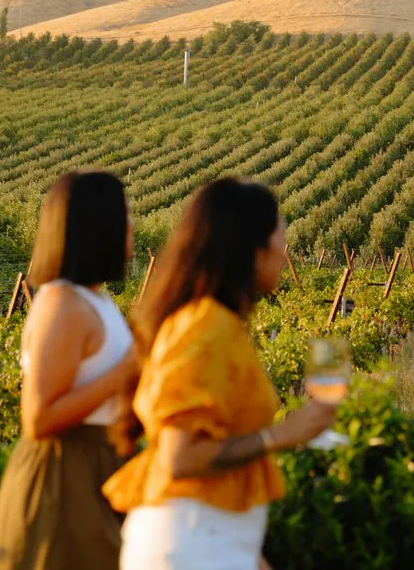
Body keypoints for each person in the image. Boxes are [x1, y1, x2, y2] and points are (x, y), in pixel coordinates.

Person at [104, 178, 337, 570]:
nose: (285, 252)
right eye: (280, 237)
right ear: (252, 251)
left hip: (206, 542)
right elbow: (181, 458)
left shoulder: (216, 324)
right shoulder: (205, 328)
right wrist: (283, 435)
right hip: (191, 546)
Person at [0, 171, 138, 570]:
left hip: (96, 470)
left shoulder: (95, 298)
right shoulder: (64, 304)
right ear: (99, 226)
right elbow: (38, 418)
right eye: (124, 214)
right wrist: (123, 375)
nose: (133, 224)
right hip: (64, 479)